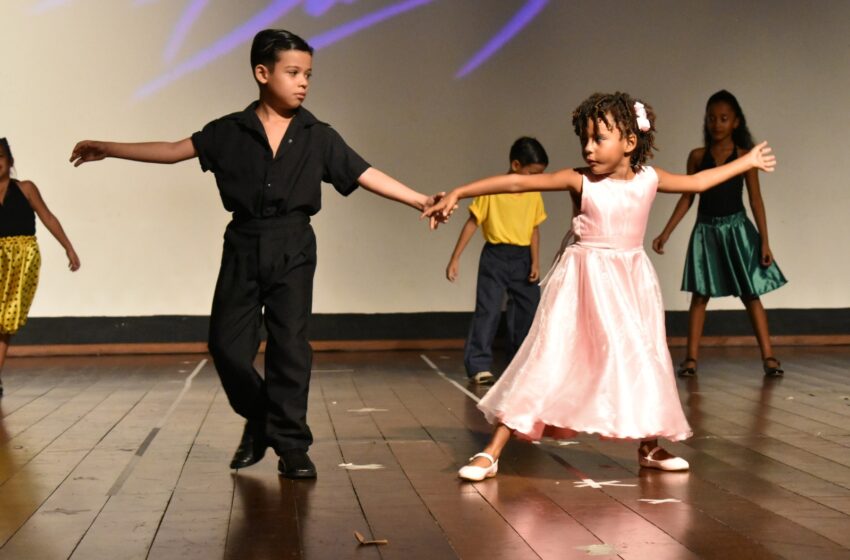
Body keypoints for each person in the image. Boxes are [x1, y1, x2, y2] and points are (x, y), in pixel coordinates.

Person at [69, 29, 443, 478]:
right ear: (262, 74)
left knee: (289, 347)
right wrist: (108, 149)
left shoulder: (317, 135)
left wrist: (420, 199)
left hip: (294, 245)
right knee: (225, 346)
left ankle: (292, 448)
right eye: (293, 72)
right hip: (244, 244)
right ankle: (263, 420)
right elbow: (172, 151)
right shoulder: (229, 131)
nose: (303, 82)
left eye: (308, 74)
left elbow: (364, 172)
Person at [423, 92, 776, 480]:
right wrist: (459, 191)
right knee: (547, 358)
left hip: (631, 283)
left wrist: (748, 160)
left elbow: (699, 180)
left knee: (644, 361)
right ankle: (492, 451)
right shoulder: (580, 180)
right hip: (582, 281)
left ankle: (649, 445)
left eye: (598, 139)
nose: (588, 149)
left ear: (630, 142)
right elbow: (516, 184)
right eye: (584, 140)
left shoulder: (649, 179)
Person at [651, 90, 786, 378]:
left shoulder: (744, 158)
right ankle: (690, 359)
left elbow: (756, 200)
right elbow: (687, 197)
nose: (717, 123)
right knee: (700, 296)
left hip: (737, 231)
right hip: (706, 232)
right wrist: (666, 233)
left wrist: (764, 241)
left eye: (724, 118)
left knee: (750, 293)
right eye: (711, 118)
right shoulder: (697, 157)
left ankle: (769, 357)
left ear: (736, 122)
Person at [446, 137, 548, 385]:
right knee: (488, 310)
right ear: (515, 165)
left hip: (523, 257)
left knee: (527, 311)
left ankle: (520, 364)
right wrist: (455, 258)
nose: (535, 179)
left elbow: (534, 228)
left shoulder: (533, 193)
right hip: (496, 256)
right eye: (532, 173)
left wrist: (535, 262)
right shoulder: (493, 190)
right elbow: (473, 222)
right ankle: (478, 365)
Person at [0, 138, 81, 396]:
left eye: (0, 157)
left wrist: (68, 247)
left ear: (9, 162)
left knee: (5, 322)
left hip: (21, 262)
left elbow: (47, 217)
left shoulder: (25, 189)